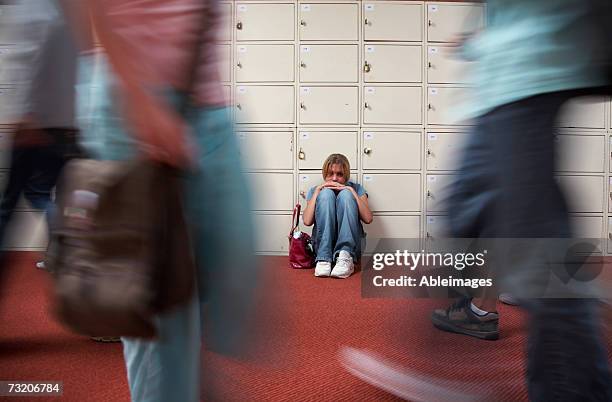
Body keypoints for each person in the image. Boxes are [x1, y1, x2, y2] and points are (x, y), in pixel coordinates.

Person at [343, 1, 612, 401]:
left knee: (539, 256)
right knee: (460, 217)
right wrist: (480, 37)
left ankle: (576, 389)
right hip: (498, 83)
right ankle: (430, 361)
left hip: (534, 73)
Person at [66, 0, 259, 400]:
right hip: (137, 100)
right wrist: (137, 100)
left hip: (208, 103)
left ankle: (192, 378)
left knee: (234, 280)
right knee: (165, 304)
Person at [0, 0, 82, 277]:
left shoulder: (35, 8)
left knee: (16, 201)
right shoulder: (71, 14)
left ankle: (63, 251)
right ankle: (60, 254)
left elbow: (28, 61)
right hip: (67, 125)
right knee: (52, 195)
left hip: (36, 125)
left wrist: (26, 114)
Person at [302, 154, 372, 278]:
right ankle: (324, 258)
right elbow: (307, 221)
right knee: (326, 194)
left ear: (346, 175)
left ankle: (345, 255)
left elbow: (368, 218)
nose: (334, 179)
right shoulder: (315, 190)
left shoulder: (356, 188)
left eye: (339, 174)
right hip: (322, 246)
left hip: (352, 247)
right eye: (330, 174)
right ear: (325, 174)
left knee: (346, 194)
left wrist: (351, 192)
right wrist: (318, 191)